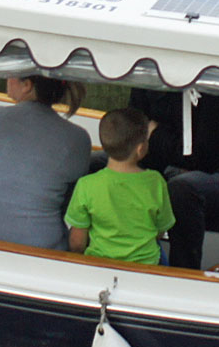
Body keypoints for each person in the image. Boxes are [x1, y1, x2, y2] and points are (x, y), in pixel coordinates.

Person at [125, 87, 219, 269]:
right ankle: (95, 262)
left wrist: (156, 134)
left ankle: (184, 276)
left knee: (182, 190)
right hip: (161, 163)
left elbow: (206, 159)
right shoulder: (152, 74)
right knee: (98, 165)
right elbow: (134, 133)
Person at [0, 75, 90, 250]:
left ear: (27, 85)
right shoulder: (78, 138)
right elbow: (68, 205)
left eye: (11, 73)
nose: (6, 77)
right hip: (42, 248)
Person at [65, 107, 175, 265]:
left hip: (99, 263)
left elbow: (77, 242)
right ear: (140, 148)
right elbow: (160, 230)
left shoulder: (86, 185)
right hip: (146, 266)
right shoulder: (156, 182)